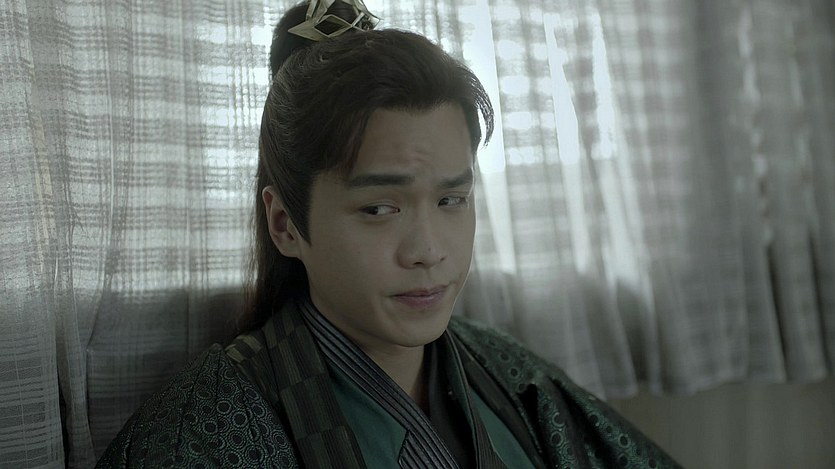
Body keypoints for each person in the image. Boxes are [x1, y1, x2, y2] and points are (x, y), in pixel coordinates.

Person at [97, 1, 681, 467]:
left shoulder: (509, 375)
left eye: (451, 200)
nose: (429, 251)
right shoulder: (205, 432)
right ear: (285, 224)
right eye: (379, 208)